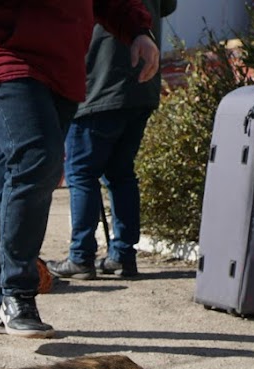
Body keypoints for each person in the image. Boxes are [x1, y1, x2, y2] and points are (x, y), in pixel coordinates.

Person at [0, 0, 159, 338]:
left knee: (18, 176)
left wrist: (137, 30)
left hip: (62, 65)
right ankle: (16, 292)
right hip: (0, 51)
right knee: (37, 159)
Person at [48, 0, 176, 283]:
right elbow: (166, 7)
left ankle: (81, 256)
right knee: (121, 173)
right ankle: (123, 255)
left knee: (82, 173)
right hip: (142, 85)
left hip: (100, 83)